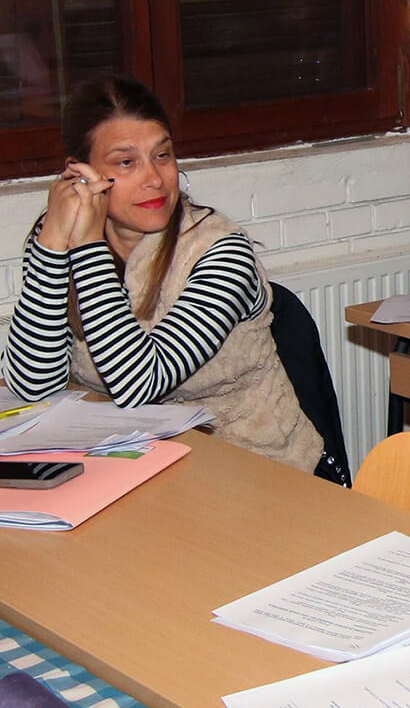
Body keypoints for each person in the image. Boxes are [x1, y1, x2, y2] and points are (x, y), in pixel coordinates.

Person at [3, 76, 328, 477]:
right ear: (79, 173)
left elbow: (139, 383)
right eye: (127, 162)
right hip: (128, 463)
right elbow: (33, 386)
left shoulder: (223, 252)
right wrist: (52, 243)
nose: (154, 179)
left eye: (162, 155)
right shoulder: (63, 238)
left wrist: (87, 249)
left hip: (251, 465)